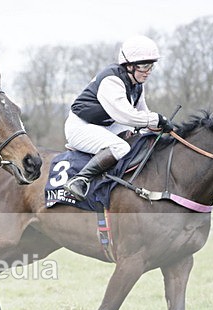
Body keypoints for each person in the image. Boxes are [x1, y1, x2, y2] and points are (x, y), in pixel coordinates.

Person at [64, 35, 174, 201]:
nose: (148, 71)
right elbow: (126, 115)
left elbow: (142, 113)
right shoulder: (112, 80)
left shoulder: (137, 85)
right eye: (144, 65)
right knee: (120, 147)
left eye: (151, 65)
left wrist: (160, 127)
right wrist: (155, 119)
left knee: (142, 138)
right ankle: (79, 180)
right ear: (128, 65)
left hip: (105, 126)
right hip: (80, 127)